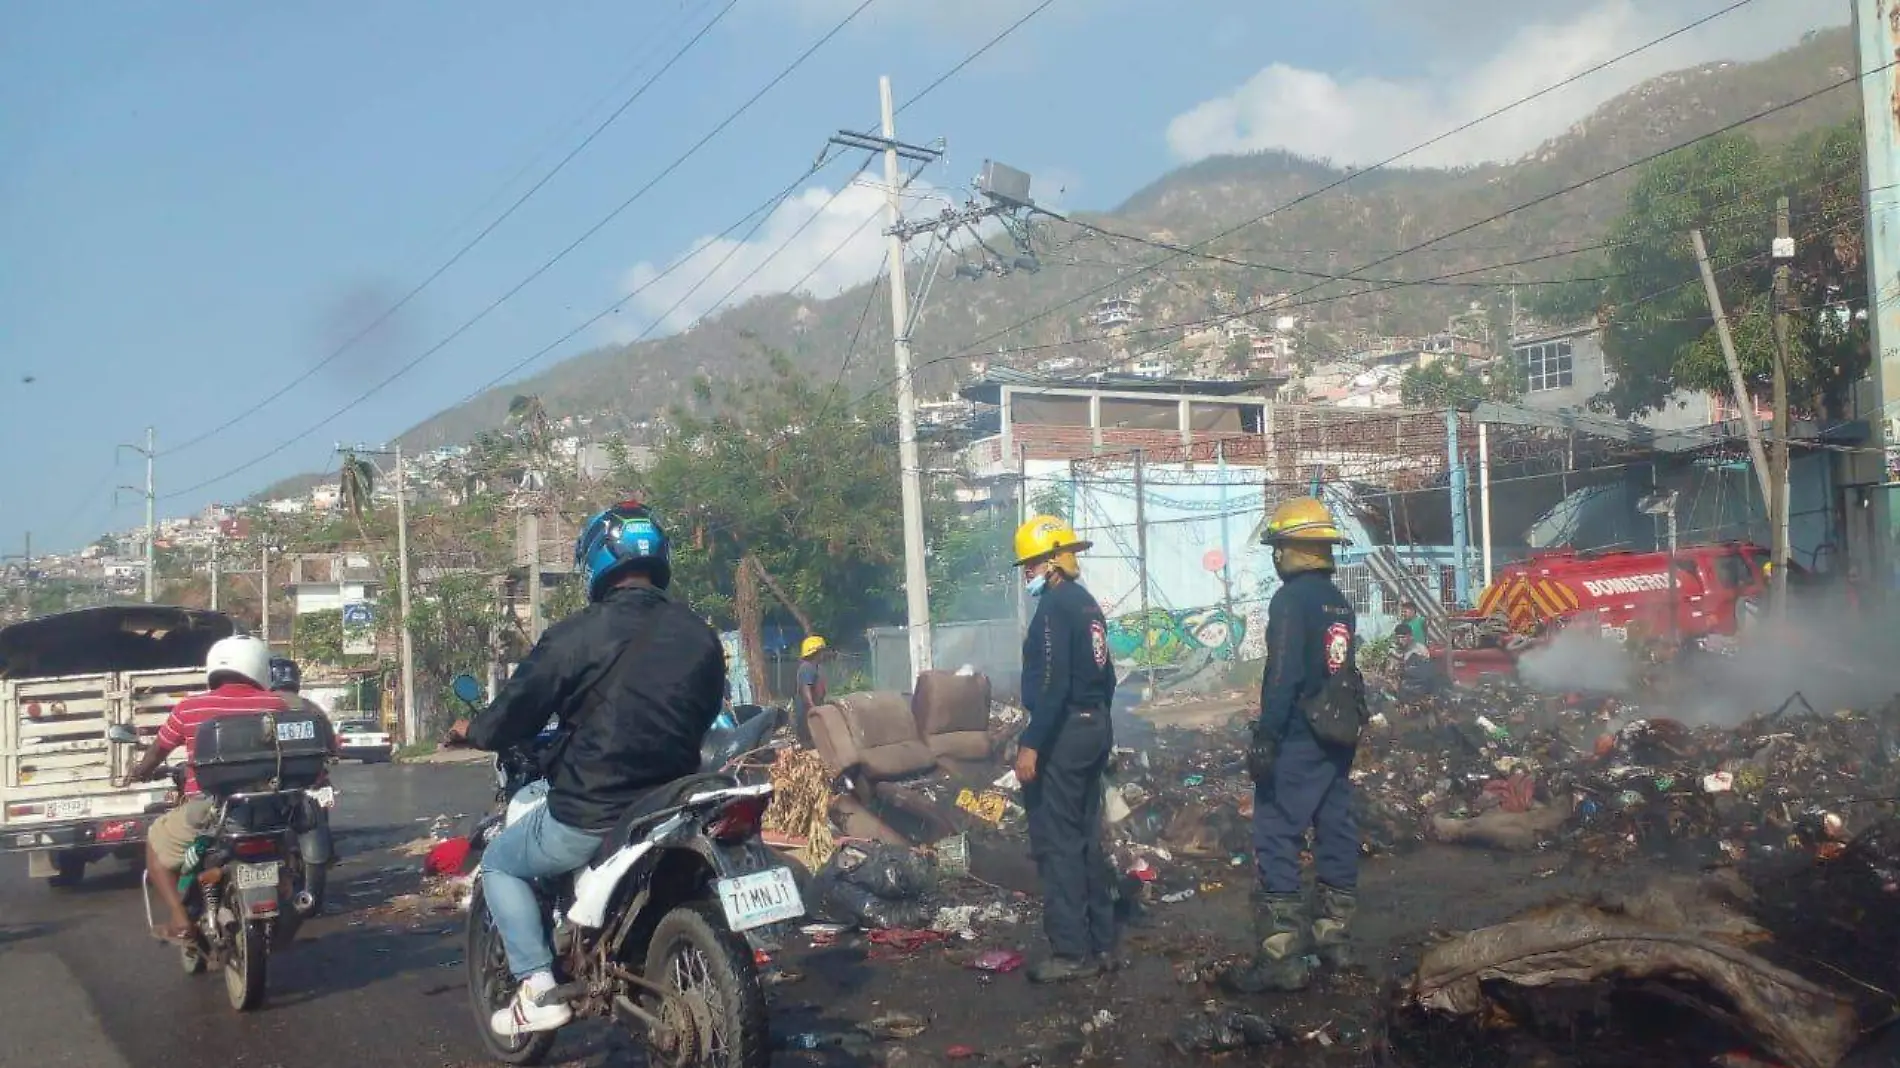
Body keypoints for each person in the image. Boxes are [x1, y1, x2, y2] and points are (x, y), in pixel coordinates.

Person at [445, 499, 726, 1038]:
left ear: (596, 561)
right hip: (674, 799)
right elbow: (705, 710)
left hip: (594, 806)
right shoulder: (700, 635)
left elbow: (518, 708)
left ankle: (537, 986)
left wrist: (473, 731)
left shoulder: (576, 634)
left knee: (502, 863)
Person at [1230, 496, 1359, 994]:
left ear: (1293, 549)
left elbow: (1282, 674)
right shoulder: (1338, 601)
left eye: (1278, 546)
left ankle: (1281, 955)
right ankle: (1335, 941)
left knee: (1276, 831)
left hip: (1300, 736)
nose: (1275, 555)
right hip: (1337, 736)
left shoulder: (1290, 601)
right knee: (1335, 830)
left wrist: (1267, 736)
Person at [125, 634, 287, 943]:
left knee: (155, 845)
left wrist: (141, 772)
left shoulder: (190, 708)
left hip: (210, 808)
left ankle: (180, 918)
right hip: (266, 806)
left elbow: (159, 750)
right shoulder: (275, 706)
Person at [1012, 514, 1118, 983]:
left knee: (1059, 844)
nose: (1026, 573)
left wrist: (1033, 744)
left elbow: (1053, 684)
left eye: (1031, 564)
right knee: (1086, 837)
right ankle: (1102, 944)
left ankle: (1071, 952)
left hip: (1064, 732)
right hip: (1094, 726)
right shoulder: (1087, 604)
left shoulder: (1055, 608)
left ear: (1053, 561)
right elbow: (1108, 676)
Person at [793, 634, 829, 747]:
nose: (824, 654)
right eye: (822, 651)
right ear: (815, 652)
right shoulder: (807, 668)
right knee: (811, 745)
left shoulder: (815, 667)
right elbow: (805, 691)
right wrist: (814, 709)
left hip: (811, 713)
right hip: (806, 716)